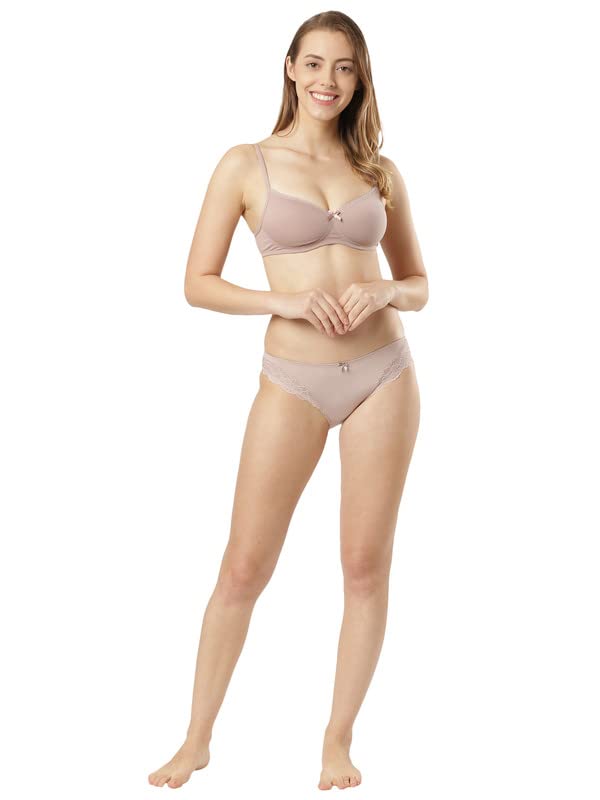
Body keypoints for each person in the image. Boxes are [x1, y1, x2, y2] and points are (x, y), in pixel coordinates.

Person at [148, 9, 428, 792]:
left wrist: (385, 290)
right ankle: (195, 740)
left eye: (344, 67)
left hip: (384, 375)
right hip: (293, 379)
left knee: (364, 566)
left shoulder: (380, 170)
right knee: (243, 566)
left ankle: (337, 741)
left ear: (359, 77)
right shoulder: (246, 164)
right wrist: (285, 302)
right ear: (290, 68)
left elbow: (420, 285)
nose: (327, 81)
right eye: (314, 63)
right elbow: (197, 283)